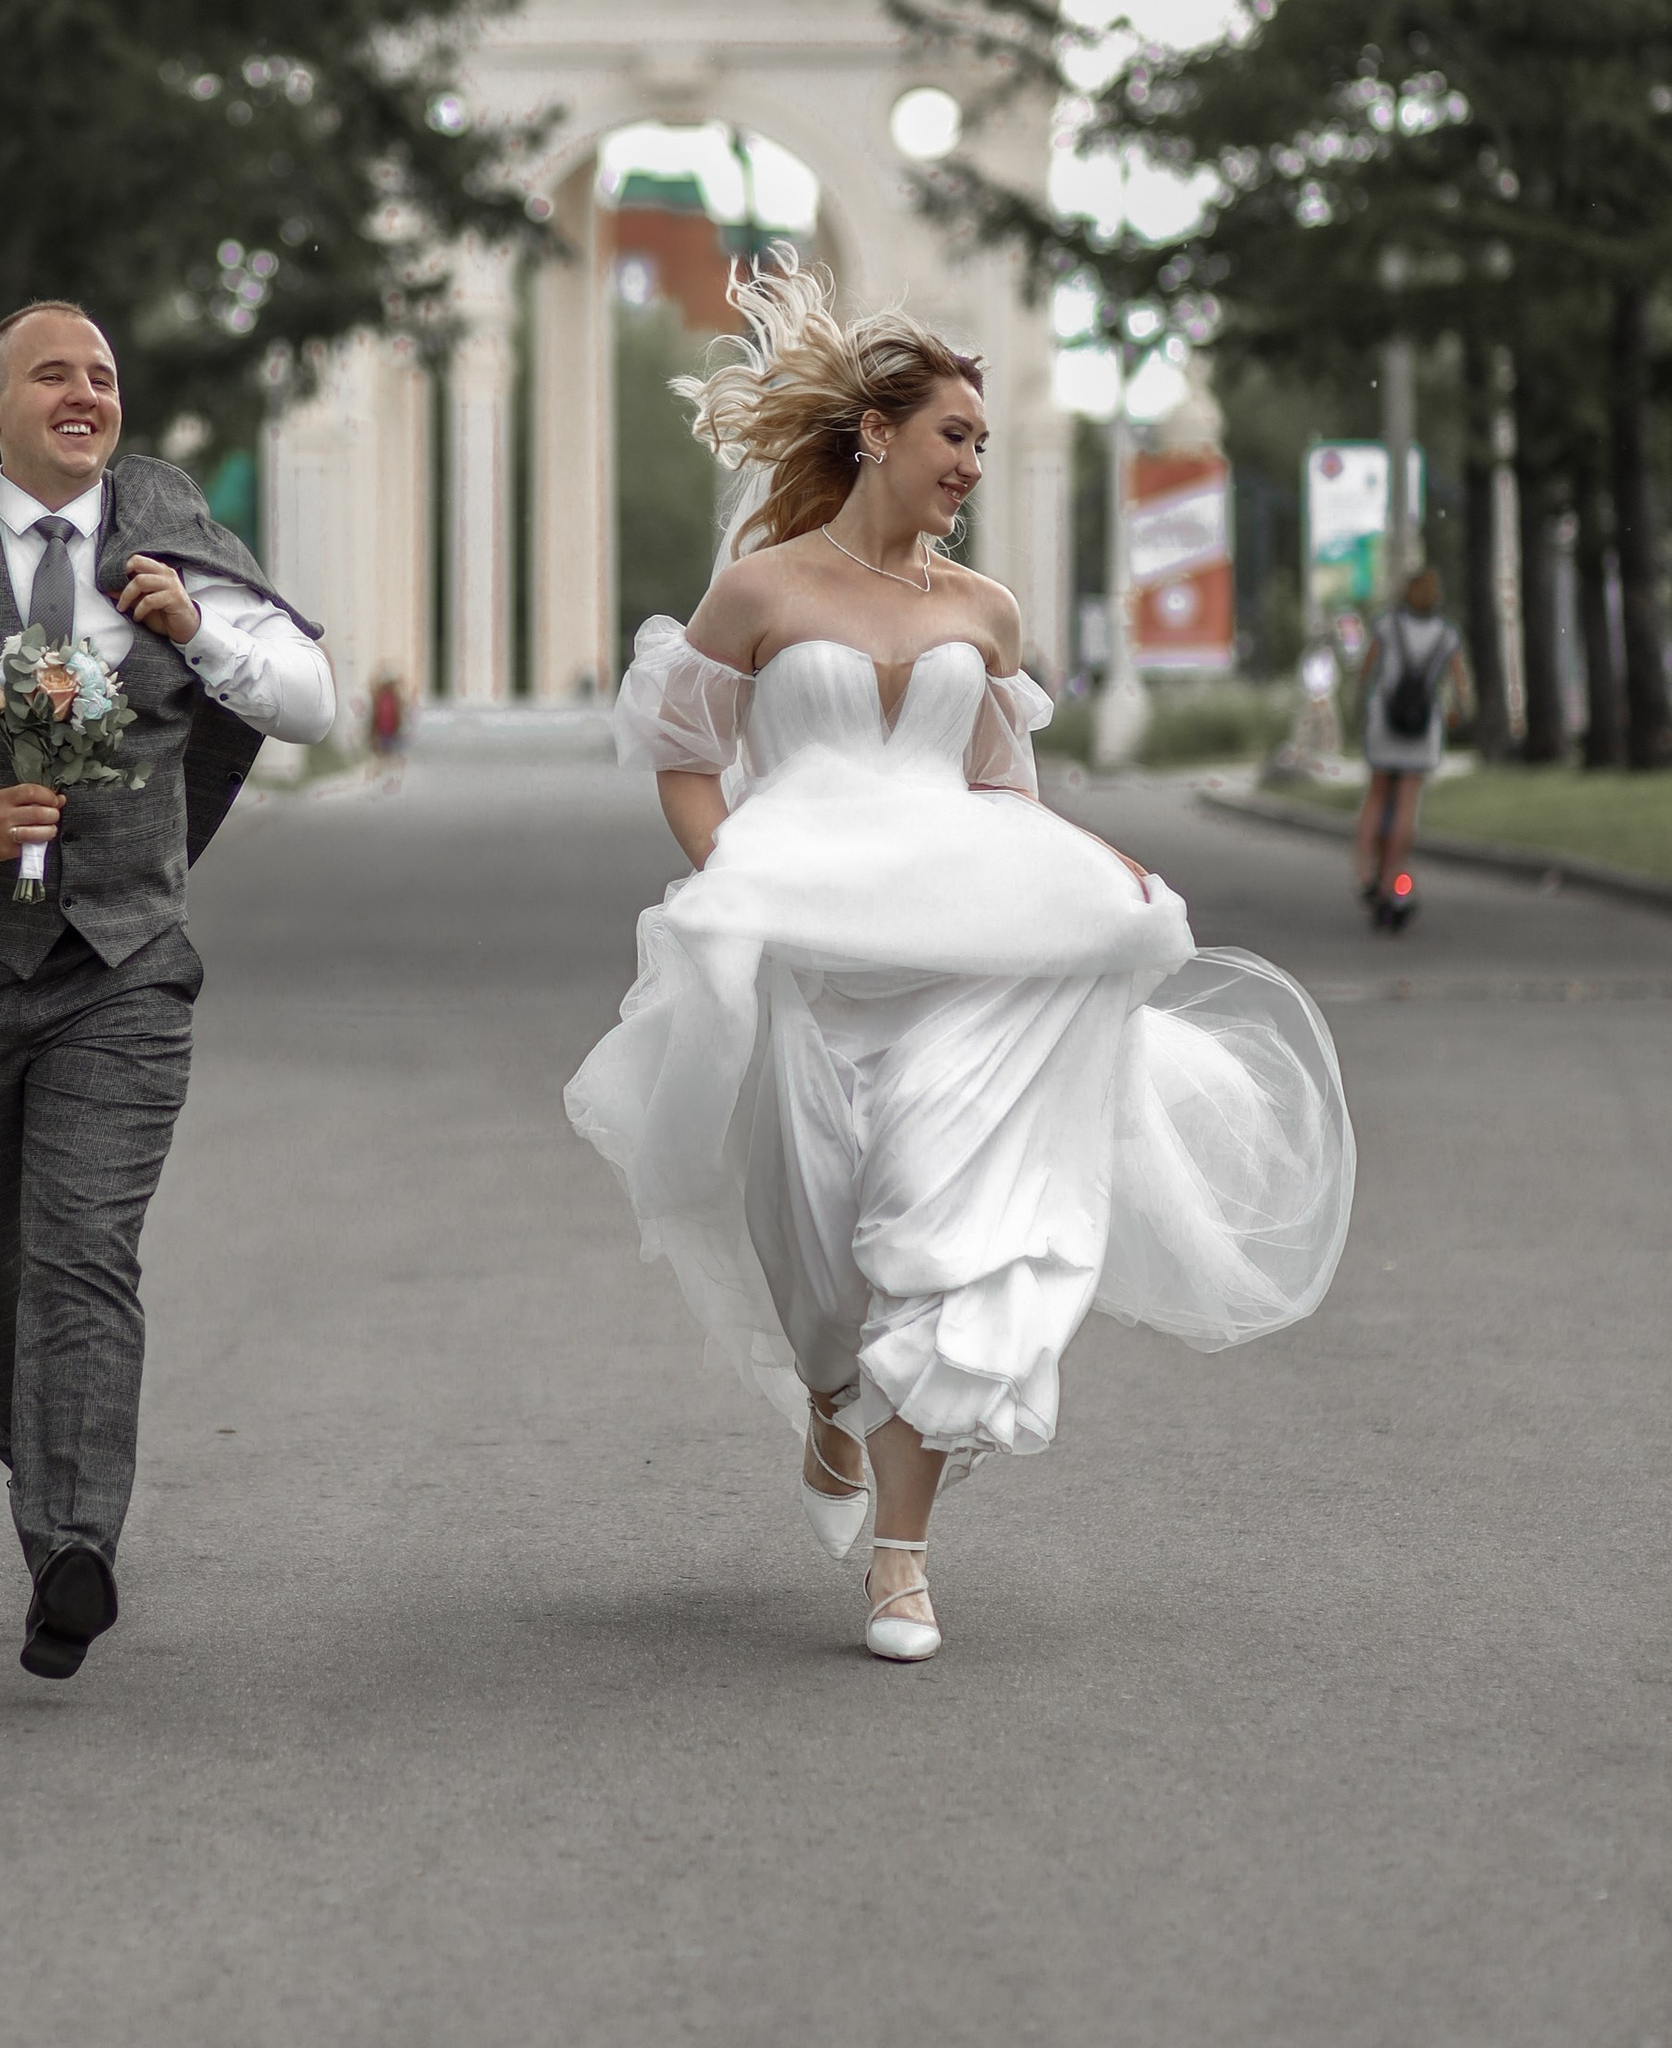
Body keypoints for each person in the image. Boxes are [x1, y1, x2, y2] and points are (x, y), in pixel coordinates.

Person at [565, 258, 1354, 1667]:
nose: (972, 465)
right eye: (955, 436)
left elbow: (1003, 792)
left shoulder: (983, 612)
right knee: (816, 1245)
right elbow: (686, 758)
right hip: (805, 944)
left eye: (985, 444)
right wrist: (733, 877)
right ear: (878, 432)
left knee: (946, 1228)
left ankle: (903, 1562)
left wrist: (1091, 869)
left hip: (964, 958)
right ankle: (825, 1401)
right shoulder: (757, 591)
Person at [0, 301, 337, 1683]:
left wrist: (197, 636)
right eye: (52, 374)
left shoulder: (173, 555)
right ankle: (48, 1480)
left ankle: (74, 1546)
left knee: (83, 1249)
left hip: (124, 966)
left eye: (102, 374)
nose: (83, 392)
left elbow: (309, 700)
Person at [1352, 568, 1467, 924]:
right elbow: (1461, 688)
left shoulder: (1386, 626)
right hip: (1420, 728)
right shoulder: (1446, 635)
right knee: (1406, 804)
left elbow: (1366, 672)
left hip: (1384, 722)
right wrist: (1455, 716)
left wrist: (1359, 710)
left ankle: (1366, 874)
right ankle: (1392, 878)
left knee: (1376, 796)